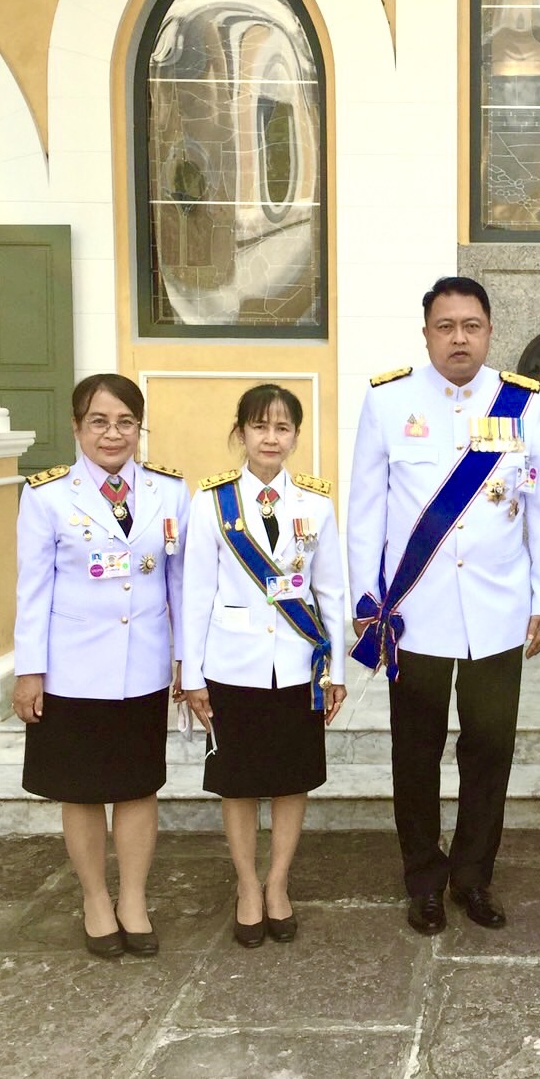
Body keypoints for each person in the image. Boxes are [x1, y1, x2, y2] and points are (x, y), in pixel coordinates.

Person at [347, 276, 540, 935]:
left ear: (490, 331)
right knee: (415, 751)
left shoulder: (521, 402)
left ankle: (473, 874)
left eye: (471, 325)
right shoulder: (389, 401)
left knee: (490, 747)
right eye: (446, 326)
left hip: (498, 608)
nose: (459, 337)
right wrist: (366, 599)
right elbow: (364, 510)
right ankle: (423, 877)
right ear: (426, 334)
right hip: (415, 610)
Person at [13, 374, 189, 958]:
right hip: (73, 671)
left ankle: (133, 898)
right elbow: (32, 591)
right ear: (77, 427)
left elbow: (180, 584)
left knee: (138, 788)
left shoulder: (169, 492)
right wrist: (29, 670)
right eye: (99, 421)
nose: (112, 434)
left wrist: (187, 661)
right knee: (82, 791)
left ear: (139, 428)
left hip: (141, 667)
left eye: (125, 423)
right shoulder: (47, 497)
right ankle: (95, 898)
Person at [181, 384, 347, 947]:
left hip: (299, 666)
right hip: (233, 665)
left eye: (282, 428)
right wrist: (193, 675)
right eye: (259, 426)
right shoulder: (212, 502)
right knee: (239, 784)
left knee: (291, 782)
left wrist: (337, 672)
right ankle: (247, 885)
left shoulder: (316, 502)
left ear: (297, 436)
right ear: (241, 433)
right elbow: (195, 592)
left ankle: (278, 883)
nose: (270, 438)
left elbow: (332, 592)